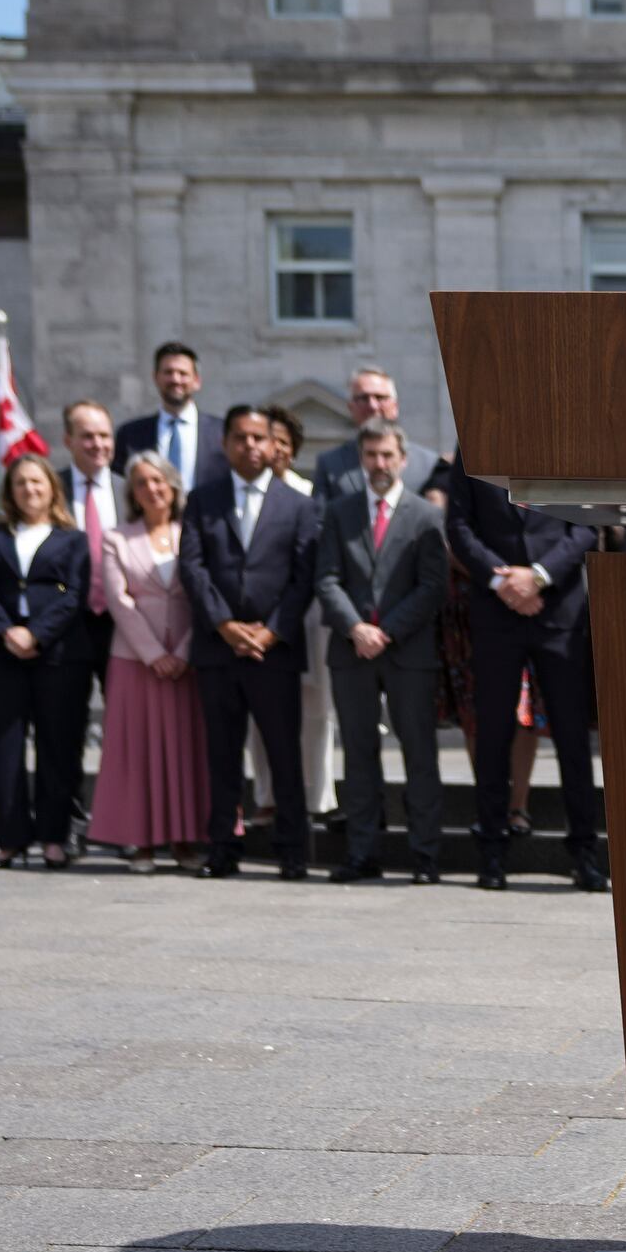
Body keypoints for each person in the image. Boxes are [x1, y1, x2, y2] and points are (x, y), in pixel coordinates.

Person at [443, 460, 606, 892]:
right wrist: (505, 584)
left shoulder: (562, 444)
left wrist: (538, 577)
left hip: (559, 613)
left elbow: (587, 525)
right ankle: (492, 851)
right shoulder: (472, 451)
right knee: (493, 733)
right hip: (498, 611)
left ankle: (585, 853)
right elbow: (459, 528)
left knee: (572, 740)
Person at [178, 405, 321, 880]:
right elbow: (193, 569)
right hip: (218, 649)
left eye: (259, 438)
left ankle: (292, 849)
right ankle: (223, 847)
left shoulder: (299, 504)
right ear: (226, 443)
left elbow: (304, 578)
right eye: (240, 437)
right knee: (222, 754)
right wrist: (224, 625)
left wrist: (271, 630)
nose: (250, 446)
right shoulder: (203, 499)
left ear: (272, 444)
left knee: (284, 753)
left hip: (274, 650)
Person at [314, 419, 450, 885]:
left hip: (408, 651)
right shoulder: (339, 512)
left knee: (419, 751)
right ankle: (362, 853)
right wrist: (355, 628)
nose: (379, 463)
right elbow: (326, 578)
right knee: (358, 752)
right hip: (351, 652)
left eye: (387, 455)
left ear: (403, 459)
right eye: (371, 455)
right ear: (361, 459)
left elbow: (433, 586)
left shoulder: (426, 516)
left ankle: (425, 854)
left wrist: (384, 631)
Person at [0, 454, 94, 870]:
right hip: (5, 654)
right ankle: (11, 839)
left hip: (57, 655)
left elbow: (74, 595)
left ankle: (54, 838)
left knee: (58, 748)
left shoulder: (72, 539)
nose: (30, 490)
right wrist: (8, 632)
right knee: (4, 749)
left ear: (51, 489)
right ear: (11, 491)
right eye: (21, 483)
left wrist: (36, 634)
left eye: (37, 482)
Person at [89, 451, 206, 872]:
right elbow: (119, 602)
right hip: (135, 661)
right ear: (133, 493)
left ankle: (184, 841)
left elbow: (205, 597)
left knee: (184, 750)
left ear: (173, 486)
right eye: (141, 482)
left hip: (187, 662)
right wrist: (154, 654)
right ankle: (140, 843)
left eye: (158, 481)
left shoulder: (193, 533)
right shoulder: (117, 538)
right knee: (137, 752)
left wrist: (185, 651)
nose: (151, 489)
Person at [257, 408, 338, 829]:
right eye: (267, 440)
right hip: (260, 623)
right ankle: (267, 795)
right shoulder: (244, 496)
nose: (275, 450)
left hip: (307, 618)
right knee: (264, 713)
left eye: (283, 443)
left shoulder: (309, 494)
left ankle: (317, 797)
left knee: (315, 711)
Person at [56, 399, 124, 683]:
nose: (98, 444)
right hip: (66, 624)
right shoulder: (51, 491)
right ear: (68, 440)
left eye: (104, 436)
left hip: (121, 624)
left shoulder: (133, 490)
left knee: (125, 719)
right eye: (87, 436)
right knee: (64, 719)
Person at [314, 365, 442, 498]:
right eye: (363, 398)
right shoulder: (330, 464)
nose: (372, 406)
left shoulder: (428, 464)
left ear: (395, 406)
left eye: (380, 398)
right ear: (351, 407)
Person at [115, 341, 226, 492]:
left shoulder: (221, 432)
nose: (175, 379)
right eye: (168, 372)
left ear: (197, 381)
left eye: (183, 373)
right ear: (155, 377)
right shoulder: (130, 435)